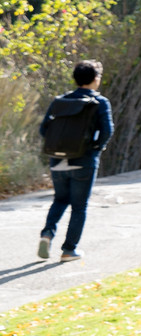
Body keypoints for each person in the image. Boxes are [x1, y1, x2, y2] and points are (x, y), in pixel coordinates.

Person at [38, 60, 114, 261]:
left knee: (60, 199)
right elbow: (107, 131)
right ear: (95, 79)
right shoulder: (100, 102)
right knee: (79, 206)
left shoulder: (59, 101)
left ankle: (47, 234)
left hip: (57, 160)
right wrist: (95, 149)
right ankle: (68, 250)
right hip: (84, 160)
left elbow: (43, 129)